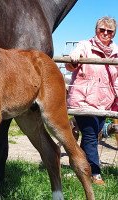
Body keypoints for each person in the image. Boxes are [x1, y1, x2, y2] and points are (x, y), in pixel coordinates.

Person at [66, 16, 118, 185]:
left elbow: (115, 79)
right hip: (83, 100)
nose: (105, 33)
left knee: (94, 136)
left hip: (104, 102)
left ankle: (80, 169)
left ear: (113, 34)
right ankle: (95, 173)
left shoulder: (116, 52)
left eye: (109, 31)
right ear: (96, 30)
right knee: (89, 136)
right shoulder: (85, 45)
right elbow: (71, 64)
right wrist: (74, 57)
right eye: (102, 29)